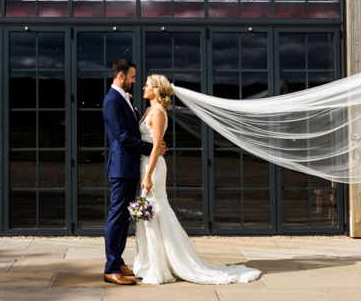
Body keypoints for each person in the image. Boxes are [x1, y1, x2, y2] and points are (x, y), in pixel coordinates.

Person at [132, 74, 261, 285]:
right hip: (145, 164)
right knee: (150, 213)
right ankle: (150, 261)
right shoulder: (148, 110)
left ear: (157, 89)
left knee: (156, 211)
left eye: (147, 85)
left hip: (152, 168)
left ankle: (161, 266)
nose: (144, 87)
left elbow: (156, 146)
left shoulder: (158, 112)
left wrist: (148, 175)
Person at [100, 58, 160, 285]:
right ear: (121, 76)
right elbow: (123, 137)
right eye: (133, 77)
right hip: (121, 168)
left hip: (129, 167)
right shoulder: (112, 100)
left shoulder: (122, 99)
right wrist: (151, 147)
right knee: (117, 217)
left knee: (125, 217)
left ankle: (118, 260)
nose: (135, 81)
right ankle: (111, 268)